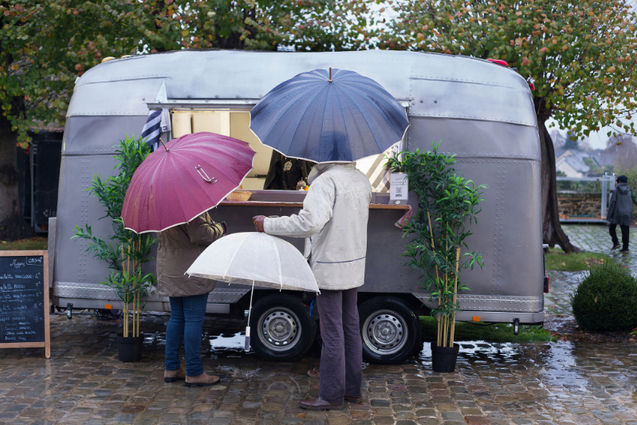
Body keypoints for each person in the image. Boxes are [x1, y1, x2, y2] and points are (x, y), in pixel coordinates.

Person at [253, 162, 372, 410]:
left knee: (332, 332)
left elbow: (310, 223)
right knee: (350, 328)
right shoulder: (360, 179)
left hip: (329, 265)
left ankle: (331, 395)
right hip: (353, 263)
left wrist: (268, 224)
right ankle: (351, 390)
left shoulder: (326, 181)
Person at [157, 212, 225, 386]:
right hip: (191, 270)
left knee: (176, 318)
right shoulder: (189, 208)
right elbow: (201, 235)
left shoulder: (161, 205)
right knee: (193, 320)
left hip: (171, 268)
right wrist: (220, 228)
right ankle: (194, 372)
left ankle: (171, 368)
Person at [607, 175, 633, 252]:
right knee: (625, 230)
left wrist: (609, 216)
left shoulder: (616, 191)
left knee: (612, 228)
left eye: (616, 181)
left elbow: (612, 204)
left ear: (619, 182)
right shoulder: (628, 192)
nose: (615, 182)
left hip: (617, 213)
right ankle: (625, 248)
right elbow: (630, 203)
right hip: (627, 213)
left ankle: (616, 243)